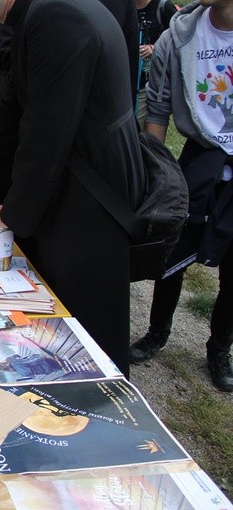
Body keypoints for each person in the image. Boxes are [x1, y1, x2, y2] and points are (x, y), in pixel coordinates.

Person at [0, 0, 144, 377]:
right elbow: (11, 110)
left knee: (81, 327)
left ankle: (92, 410)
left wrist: (11, 211)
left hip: (90, 199)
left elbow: (46, 134)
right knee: (48, 320)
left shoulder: (54, 17)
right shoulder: (34, 15)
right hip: (71, 185)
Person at [129, 0, 233, 392]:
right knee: (172, 254)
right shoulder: (179, 35)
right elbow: (157, 109)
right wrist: (158, 175)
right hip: (199, 160)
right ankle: (157, 332)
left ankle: (220, 347)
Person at [135, 0, 178, 127]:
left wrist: (154, 49)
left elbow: (178, 42)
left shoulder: (164, 7)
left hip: (153, 83)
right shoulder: (124, 6)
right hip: (129, 81)